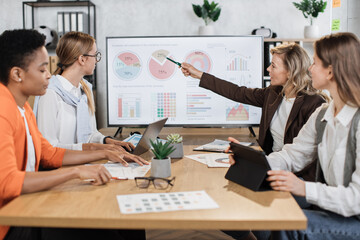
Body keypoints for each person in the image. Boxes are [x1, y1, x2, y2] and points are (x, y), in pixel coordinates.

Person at [0, 29, 146, 240]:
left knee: (130, 225)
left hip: (28, 205)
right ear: (17, 74)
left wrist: (105, 151)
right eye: (42, 70)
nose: (50, 75)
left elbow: (49, 153)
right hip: (12, 223)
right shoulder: (4, 111)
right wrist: (76, 171)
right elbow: (7, 184)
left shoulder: (23, 108)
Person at [227, 32, 360, 240]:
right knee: (243, 205)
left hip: (354, 220)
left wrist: (303, 188)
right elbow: (292, 155)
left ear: (331, 72)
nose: (309, 68)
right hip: (331, 211)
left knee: (287, 225)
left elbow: (357, 199)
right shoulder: (323, 114)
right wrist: (251, 163)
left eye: (315, 63)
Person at [181, 43, 327, 182]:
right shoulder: (273, 93)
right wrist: (199, 75)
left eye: (273, 66)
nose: (268, 69)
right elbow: (238, 92)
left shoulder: (314, 104)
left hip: (294, 176)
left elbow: (306, 156)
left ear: (290, 72)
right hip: (270, 165)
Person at [34, 31, 136, 154]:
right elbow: (49, 148)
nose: (96, 61)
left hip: (82, 163)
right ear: (82, 59)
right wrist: (94, 148)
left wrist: (109, 141)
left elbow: (89, 134)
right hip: (61, 168)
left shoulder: (84, 90)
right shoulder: (50, 94)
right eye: (95, 55)